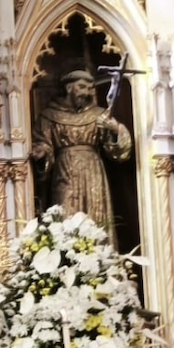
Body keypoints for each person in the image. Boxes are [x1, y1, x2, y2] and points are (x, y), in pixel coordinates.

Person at [30, 68, 134, 235]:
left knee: (95, 216)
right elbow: (42, 142)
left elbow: (115, 151)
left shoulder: (99, 115)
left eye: (89, 88)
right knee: (66, 214)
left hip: (93, 173)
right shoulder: (50, 115)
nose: (86, 92)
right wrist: (42, 152)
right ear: (69, 88)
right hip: (65, 173)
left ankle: (101, 257)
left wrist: (115, 129)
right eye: (82, 87)